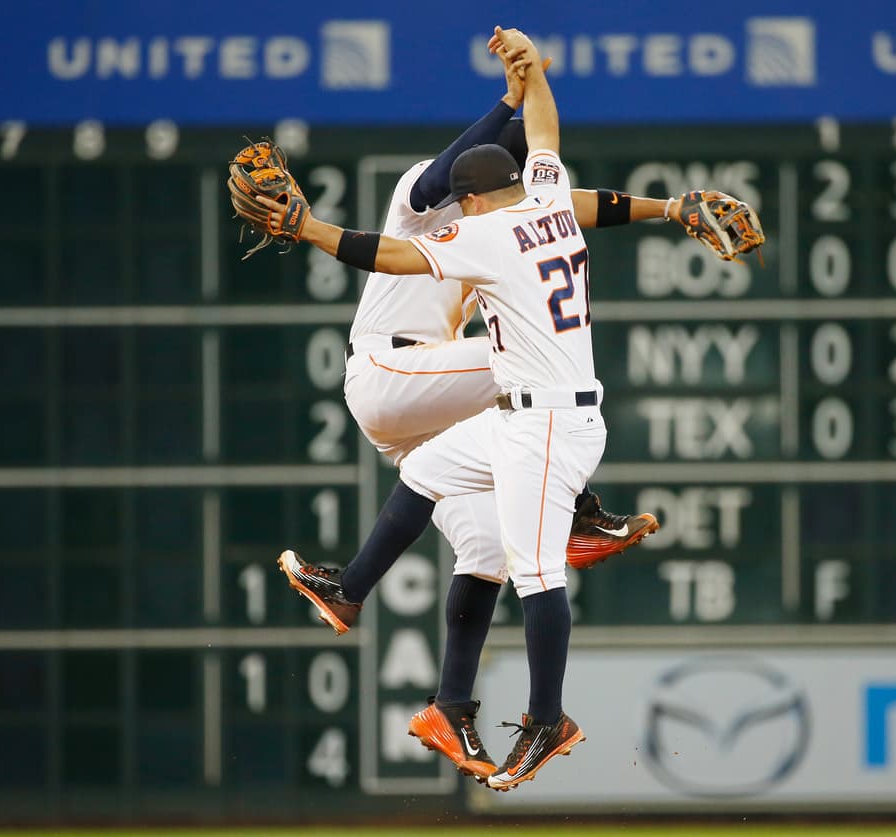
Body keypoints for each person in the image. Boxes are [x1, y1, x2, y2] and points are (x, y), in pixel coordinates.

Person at [266, 27, 641, 791]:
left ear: (473, 199)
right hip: (452, 389)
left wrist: (306, 227)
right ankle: (364, 587)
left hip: (513, 413)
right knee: (465, 430)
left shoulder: (489, 232)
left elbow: (385, 251)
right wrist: (528, 75)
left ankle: (503, 710)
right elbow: (542, 133)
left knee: (509, 559)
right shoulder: (517, 204)